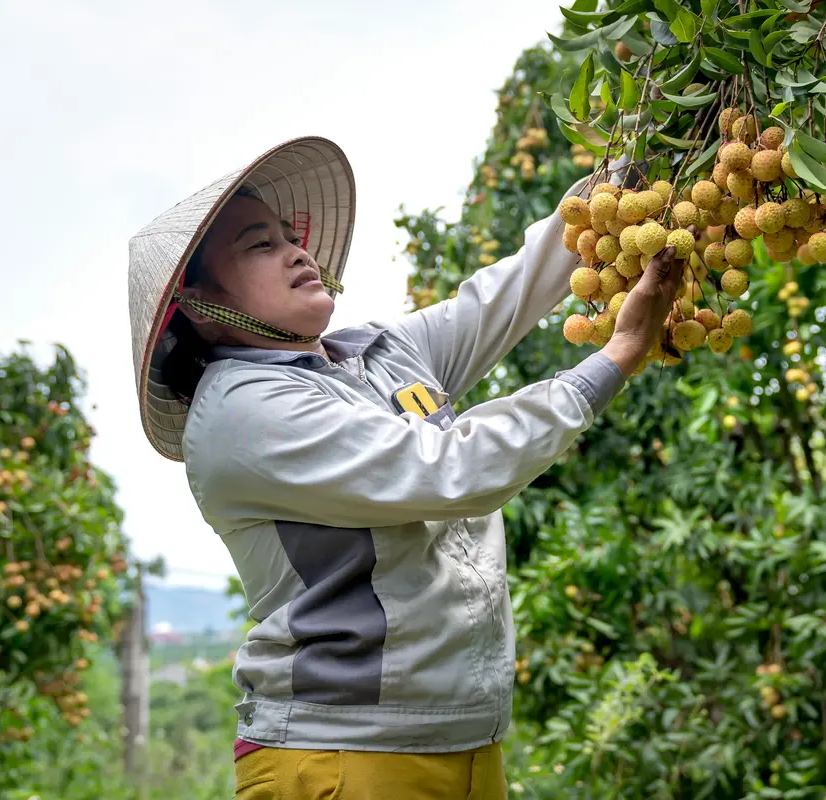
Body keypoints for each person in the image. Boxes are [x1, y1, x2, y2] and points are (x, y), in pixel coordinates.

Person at [125, 136, 684, 799]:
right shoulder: (244, 412)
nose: (297, 251)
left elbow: (509, 291)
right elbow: (450, 471)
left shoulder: (377, 356)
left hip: (463, 739)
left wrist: (638, 167)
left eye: (287, 235)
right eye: (260, 245)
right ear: (196, 302)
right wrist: (616, 355)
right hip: (340, 754)